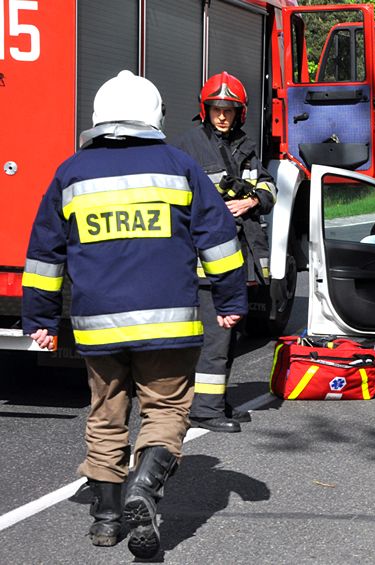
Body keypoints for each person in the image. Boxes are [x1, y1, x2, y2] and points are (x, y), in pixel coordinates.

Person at [21, 70, 247, 558]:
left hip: (98, 326)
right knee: (165, 411)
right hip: (170, 326)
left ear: (99, 116)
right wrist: (230, 301)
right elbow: (219, 240)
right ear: (155, 114)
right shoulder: (180, 166)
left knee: (106, 416)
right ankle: (144, 487)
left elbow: (45, 252)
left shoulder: (72, 172)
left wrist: (39, 320)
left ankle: (105, 520)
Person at [173, 72, 277, 433]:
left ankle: (216, 400)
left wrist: (251, 200)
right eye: (217, 109)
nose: (222, 116)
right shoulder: (187, 146)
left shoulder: (244, 146)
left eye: (229, 110)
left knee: (231, 333)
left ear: (239, 114)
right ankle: (204, 408)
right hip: (205, 263)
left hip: (236, 259)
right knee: (216, 335)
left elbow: (268, 186)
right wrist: (220, 205)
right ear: (206, 110)